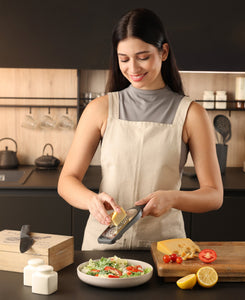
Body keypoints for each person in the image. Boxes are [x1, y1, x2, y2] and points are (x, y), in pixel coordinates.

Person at [57, 8, 223, 250]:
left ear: (163, 52)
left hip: (165, 247)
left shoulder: (191, 114)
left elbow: (214, 195)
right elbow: (67, 181)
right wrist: (91, 200)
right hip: (103, 245)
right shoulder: (100, 109)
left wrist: (173, 198)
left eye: (142, 57)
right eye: (123, 59)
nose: (132, 68)